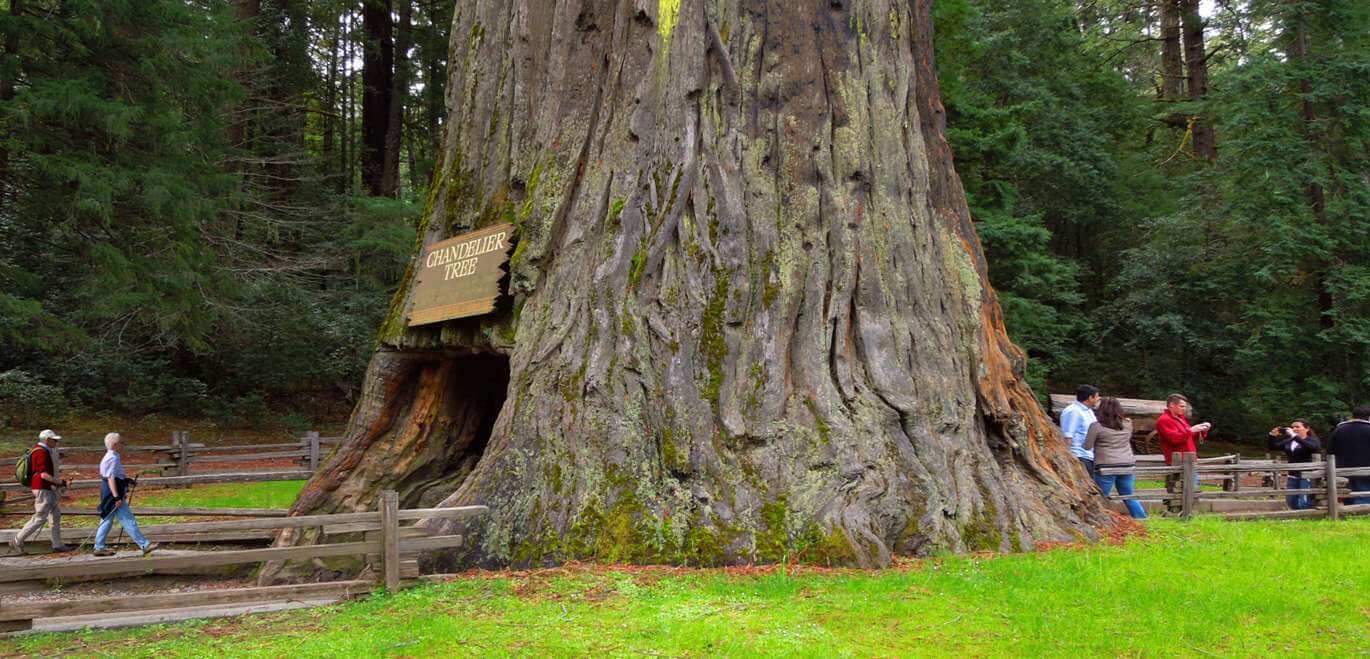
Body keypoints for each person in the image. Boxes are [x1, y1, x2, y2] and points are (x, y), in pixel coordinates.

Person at [92, 433, 157, 557]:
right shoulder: (113, 458)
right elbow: (110, 478)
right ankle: (145, 545)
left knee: (107, 519)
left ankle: (99, 547)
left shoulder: (110, 456)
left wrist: (126, 480)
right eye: (121, 443)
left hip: (109, 492)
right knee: (127, 520)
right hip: (113, 493)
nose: (123, 445)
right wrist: (116, 496)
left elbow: (113, 476)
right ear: (115, 445)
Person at [10, 429, 73, 554]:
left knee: (55, 516)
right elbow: (44, 475)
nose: (56, 442)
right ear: (47, 440)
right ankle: (17, 540)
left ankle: (57, 544)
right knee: (39, 518)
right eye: (54, 440)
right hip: (42, 489)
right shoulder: (41, 453)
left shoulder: (44, 451)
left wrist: (57, 484)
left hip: (46, 488)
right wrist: (61, 482)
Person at [1086, 397, 1146, 519]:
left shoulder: (1096, 426)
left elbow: (1087, 446)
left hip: (1106, 466)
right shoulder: (1128, 424)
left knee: (1102, 496)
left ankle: (1100, 519)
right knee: (1128, 495)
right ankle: (1141, 518)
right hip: (1127, 464)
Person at [1267, 420, 1321, 510]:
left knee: (1304, 500)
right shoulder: (1290, 441)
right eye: (1293, 427)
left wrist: (1294, 436)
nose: (1294, 429)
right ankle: (1297, 516)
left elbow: (1312, 448)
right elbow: (1273, 447)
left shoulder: (1312, 440)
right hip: (1293, 474)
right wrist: (1272, 436)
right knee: (1291, 500)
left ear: (1307, 428)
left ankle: (1306, 518)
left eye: (1297, 427)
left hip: (1306, 475)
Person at [1326, 405, 1370, 505]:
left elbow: (1330, 451)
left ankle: (1350, 516)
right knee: (1365, 497)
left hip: (1343, 471)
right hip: (1366, 472)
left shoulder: (1339, 430)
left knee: (1348, 497)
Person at [1060, 385, 1101, 475]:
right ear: (1090, 398)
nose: (1099, 398)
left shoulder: (1088, 411)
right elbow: (1068, 435)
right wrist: (1068, 458)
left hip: (1089, 456)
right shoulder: (1073, 411)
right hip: (1078, 456)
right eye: (1097, 396)